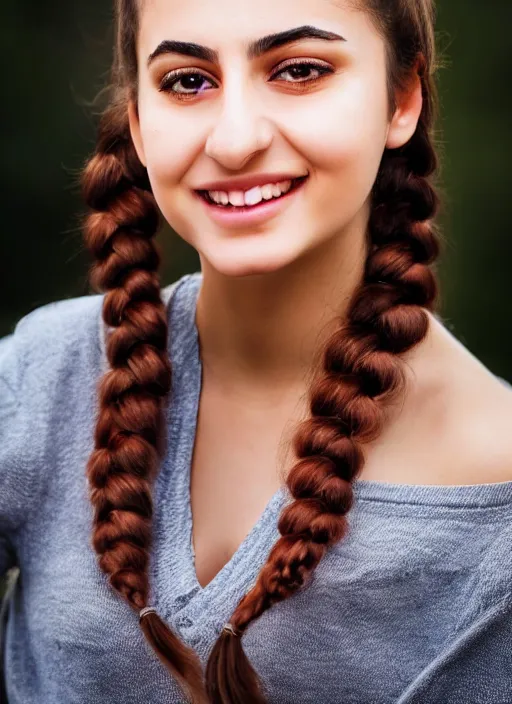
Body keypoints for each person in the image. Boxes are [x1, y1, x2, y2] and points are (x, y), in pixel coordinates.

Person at [1, 0, 511, 702]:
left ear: (403, 100)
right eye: (187, 81)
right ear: (140, 124)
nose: (235, 139)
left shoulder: (496, 490)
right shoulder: (41, 377)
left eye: (299, 70)